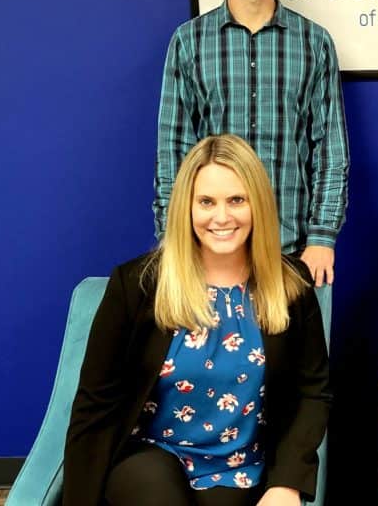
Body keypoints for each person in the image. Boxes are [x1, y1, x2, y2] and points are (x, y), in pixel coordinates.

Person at [66, 134, 331, 506]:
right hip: (150, 456)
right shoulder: (138, 285)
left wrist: (287, 483)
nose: (221, 217)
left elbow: (312, 393)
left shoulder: (293, 286)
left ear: (258, 204)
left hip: (241, 467)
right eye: (206, 201)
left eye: (236, 200)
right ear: (186, 208)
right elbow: (95, 405)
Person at [155, 0, 349, 286]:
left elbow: (331, 149)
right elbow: (173, 149)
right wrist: (172, 236)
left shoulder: (314, 42)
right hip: (211, 245)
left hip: (291, 248)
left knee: (289, 347)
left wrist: (323, 236)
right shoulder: (189, 41)